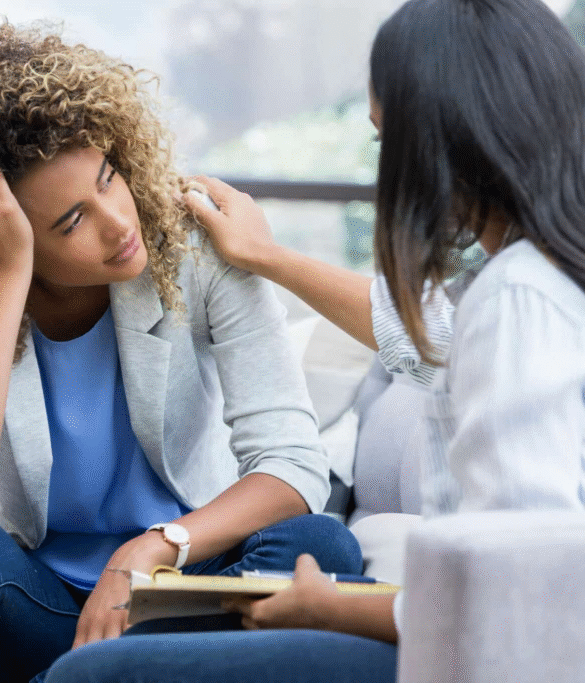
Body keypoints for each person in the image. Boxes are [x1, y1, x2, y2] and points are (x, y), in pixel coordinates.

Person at [41, 0, 585, 681]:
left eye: (388, 143)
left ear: (448, 139)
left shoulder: (519, 297)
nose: (389, 172)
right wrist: (267, 256)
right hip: (457, 635)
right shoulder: (535, 284)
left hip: (481, 659)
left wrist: (331, 608)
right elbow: (426, 334)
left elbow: (520, 593)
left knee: (90, 675)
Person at [0, 17, 362, 683]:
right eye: (72, 221)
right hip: (43, 605)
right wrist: (5, 274)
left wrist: (152, 548)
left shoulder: (196, 251)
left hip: (181, 593)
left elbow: (292, 465)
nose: (120, 223)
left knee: (321, 546)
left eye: (109, 177)